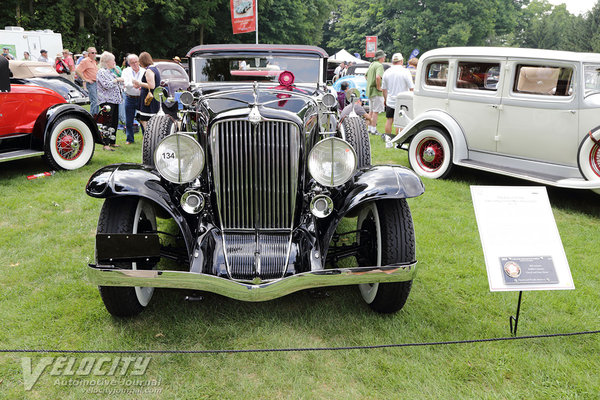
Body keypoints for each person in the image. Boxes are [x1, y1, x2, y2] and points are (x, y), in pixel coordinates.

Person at [96, 51, 124, 150]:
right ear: (107, 61)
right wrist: (117, 80)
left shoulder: (110, 72)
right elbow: (106, 85)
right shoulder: (101, 72)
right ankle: (105, 144)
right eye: (113, 60)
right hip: (106, 100)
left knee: (114, 121)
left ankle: (112, 141)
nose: (114, 62)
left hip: (115, 100)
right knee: (107, 121)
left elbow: (118, 85)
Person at [381, 52, 414, 137]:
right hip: (402, 100)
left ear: (392, 61)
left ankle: (388, 139)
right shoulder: (405, 71)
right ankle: (398, 140)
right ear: (401, 61)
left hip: (390, 100)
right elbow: (411, 88)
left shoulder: (387, 72)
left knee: (389, 120)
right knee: (400, 122)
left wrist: (385, 99)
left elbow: (384, 89)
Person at [121, 54, 145, 144]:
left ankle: (145, 137)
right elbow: (126, 83)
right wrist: (134, 85)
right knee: (129, 119)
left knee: (143, 118)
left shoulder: (144, 71)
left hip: (141, 98)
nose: (135, 64)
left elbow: (145, 82)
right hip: (129, 97)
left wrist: (138, 84)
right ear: (129, 63)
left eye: (136, 62)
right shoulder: (126, 71)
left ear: (139, 61)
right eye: (132, 63)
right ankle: (129, 139)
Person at [134, 52, 161, 131]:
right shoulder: (154, 68)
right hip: (152, 97)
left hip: (149, 99)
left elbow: (152, 85)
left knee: (146, 120)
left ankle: (148, 137)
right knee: (144, 120)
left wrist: (139, 83)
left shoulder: (149, 70)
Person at [365, 49, 386, 135]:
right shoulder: (379, 66)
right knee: (375, 112)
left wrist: (370, 83)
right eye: (384, 56)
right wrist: (378, 87)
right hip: (376, 92)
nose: (384, 58)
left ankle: (369, 128)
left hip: (370, 91)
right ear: (381, 57)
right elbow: (378, 77)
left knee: (371, 111)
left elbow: (365, 76)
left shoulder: (372, 64)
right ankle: (374, 129)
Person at [76, 47, 99, 116]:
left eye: (95, 52)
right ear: (88, 54)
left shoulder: (94, 61)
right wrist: (85, 79)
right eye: (92, 53)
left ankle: (96, 116)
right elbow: (77, 70)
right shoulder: (85, 61)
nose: (94, 54)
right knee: (94, 101)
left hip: (96, 83)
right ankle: (92, 117)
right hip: (91, 83)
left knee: (97, 101)